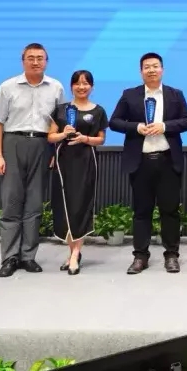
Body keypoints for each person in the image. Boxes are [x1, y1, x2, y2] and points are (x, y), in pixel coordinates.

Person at [109, 52, 187, 275]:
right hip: (141, 162)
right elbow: (114, 122)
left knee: (170, 211)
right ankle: (140, 256)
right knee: (141, 211)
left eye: (155, 66)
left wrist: (164, 126)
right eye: (147, 67)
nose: (151, 70)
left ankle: (172, 255)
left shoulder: (175, 94)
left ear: (162, 69)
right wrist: (136, 127)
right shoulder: (130, 95)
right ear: (141, 71)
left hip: (168, 161)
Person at [0, 43, 66, 278]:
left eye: (40, 58)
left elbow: (59, 124)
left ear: (46, 61)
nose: (35, 62)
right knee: (11, 201)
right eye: (30, 58)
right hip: (13, 143)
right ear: (23, 60)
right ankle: (10, 257)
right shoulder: (8, 86)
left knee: (34, 203)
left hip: (42, 145)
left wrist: (55, 153)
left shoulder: (56, 87)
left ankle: (28, 256)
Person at [47, 70, 108, 275]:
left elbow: (101, 139)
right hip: (63, 162)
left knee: (80, 205)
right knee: (65, 206)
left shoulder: (98, 111)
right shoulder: (61, 110)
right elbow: (50, 137)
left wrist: (85, 139)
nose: (82, 87)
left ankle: (75, 254)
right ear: (71, 86)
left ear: (92, 87)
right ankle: (72, 251)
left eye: (86, 83)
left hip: (86, 161)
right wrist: (62, 134)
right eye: (77, 83)